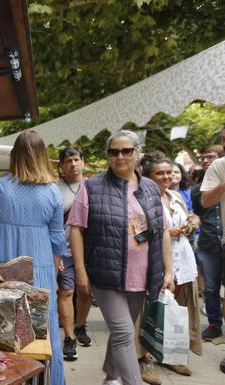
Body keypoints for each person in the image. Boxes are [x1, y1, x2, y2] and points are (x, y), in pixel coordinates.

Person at [68, 130, 174, 385]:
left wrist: (168, 271)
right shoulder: (91, 186)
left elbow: (163, 232)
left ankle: (111, 375)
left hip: (143, 275)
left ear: (137, 154)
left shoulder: (150, 188)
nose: (120, 156)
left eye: (127, 151)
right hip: (105, 274)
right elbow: (75, 229)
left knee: (120, 332)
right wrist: (81, 271)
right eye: (114, 151)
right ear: (108, 155)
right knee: (125, 332)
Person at [0, 129, 66, 385]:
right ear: (43, 156)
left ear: (14, 156)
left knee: (1, 331)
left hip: (4, 267)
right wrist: (58, 260)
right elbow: (58, 237)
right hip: (41, 268)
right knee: (43, 333)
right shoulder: (52, 192)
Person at [141, 153, 201, 377]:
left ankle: (171, 356)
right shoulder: (142, 198)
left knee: (175, 310)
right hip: (154, 261)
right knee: (151, 310)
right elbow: (136, 231)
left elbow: (191, 215)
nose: (167, 176)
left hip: (182, 261)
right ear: (148, 176)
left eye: (169, 172)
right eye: (160, 173)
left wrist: (191, 222)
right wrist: (166, 232)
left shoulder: (175, 195)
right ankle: (144, 358)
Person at [55, 147, 92, 361]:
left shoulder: (94, 186)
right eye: (68, 161)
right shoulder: (55, 189)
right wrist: (56, 252)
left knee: (86, 292)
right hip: (65, 250)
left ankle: (80, 325)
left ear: (83, 162)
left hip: (92, 251)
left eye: (77, 159)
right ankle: (69, 337)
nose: (73, 164)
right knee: (66, 292)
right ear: (61, 166)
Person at [191, 143, 225, 340]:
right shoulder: (198, 190)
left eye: (210, 157)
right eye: (203, 157)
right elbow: (198, 212)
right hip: (209, 241)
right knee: (211, 287)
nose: (206, 161)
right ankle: (214, 323)